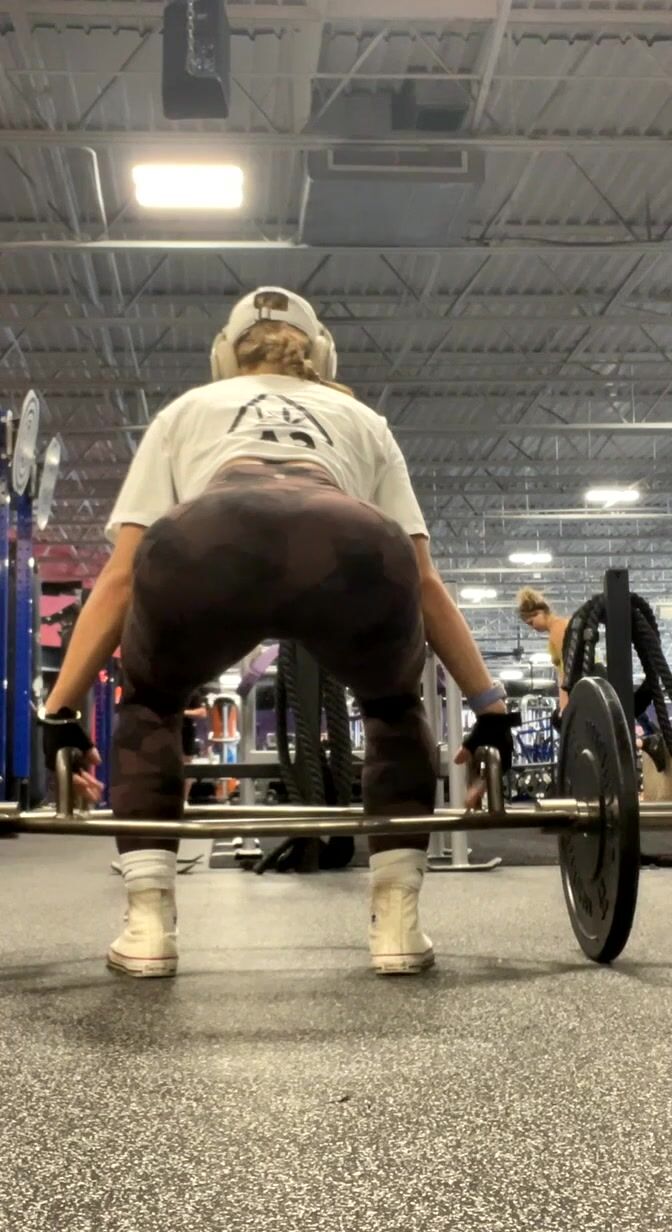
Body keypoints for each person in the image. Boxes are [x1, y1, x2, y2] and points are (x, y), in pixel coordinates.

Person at [40, 287, 516, 980]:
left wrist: (60, 713)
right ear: (321, 354)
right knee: (392, 708)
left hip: (211, 540)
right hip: (346, 542)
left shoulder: (187, 409)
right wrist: (490, 708)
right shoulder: (363, 418)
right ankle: (398, 929)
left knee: (151, 704)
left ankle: (148, 927)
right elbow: (424, 582)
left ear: (225, 356)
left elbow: (119, 579)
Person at [516, 587, 570, 712]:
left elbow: (567, 668)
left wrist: (565, 706)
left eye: (531, 622)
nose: (532, 627)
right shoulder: (556, 629)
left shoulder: (558, 628)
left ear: (540, 613)